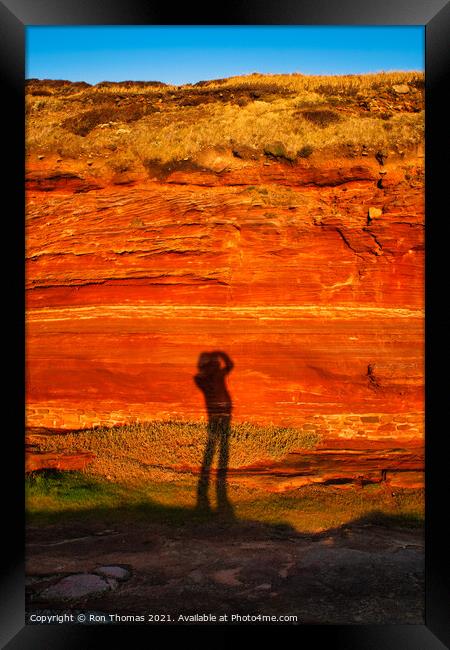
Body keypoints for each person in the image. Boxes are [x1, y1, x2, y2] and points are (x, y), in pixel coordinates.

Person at [194, 351, 234, 516]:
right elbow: (229, 365)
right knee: (218, 445)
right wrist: (220, 354)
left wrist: (216, 356)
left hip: (221, 411)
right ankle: (217, 476)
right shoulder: (203, 377)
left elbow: (229, 366)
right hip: (220, 411)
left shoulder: (205, 377)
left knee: (218, 445)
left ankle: (213, 475)